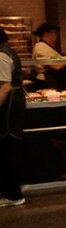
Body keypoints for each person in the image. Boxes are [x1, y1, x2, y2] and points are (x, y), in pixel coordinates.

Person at [0, 27, 28, 208]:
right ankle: (12, 190)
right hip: (13, 104)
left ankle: (13, 194)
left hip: (9, 108)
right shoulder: (7, 52)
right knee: (8, 149)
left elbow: (5, 87)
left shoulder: (1, 55)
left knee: (6, 149)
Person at [32, 23, 66, 90]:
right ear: (46, 34)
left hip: (53, 79)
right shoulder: (41, 47)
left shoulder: (44, 46)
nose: (56, 36)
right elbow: (57, 66)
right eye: (54, 33)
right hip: (49, 80)